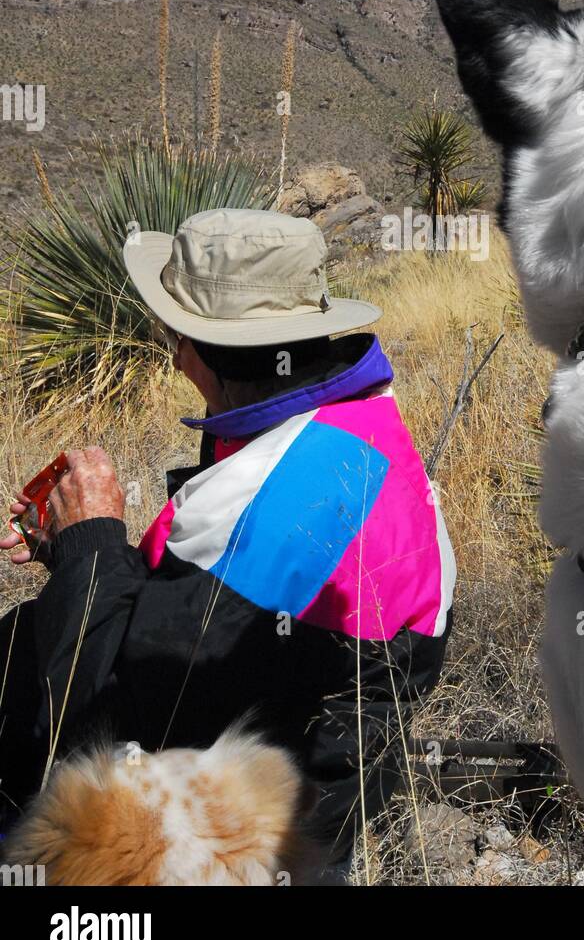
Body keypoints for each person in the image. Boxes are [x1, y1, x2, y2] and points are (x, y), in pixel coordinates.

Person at [0, 209, 455, 876]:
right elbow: (191, 624)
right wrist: (67, 548)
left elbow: (102, 717)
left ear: (192, 349)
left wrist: (89, 542)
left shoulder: (272, 504)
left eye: (172, 332)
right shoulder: (350, 429)